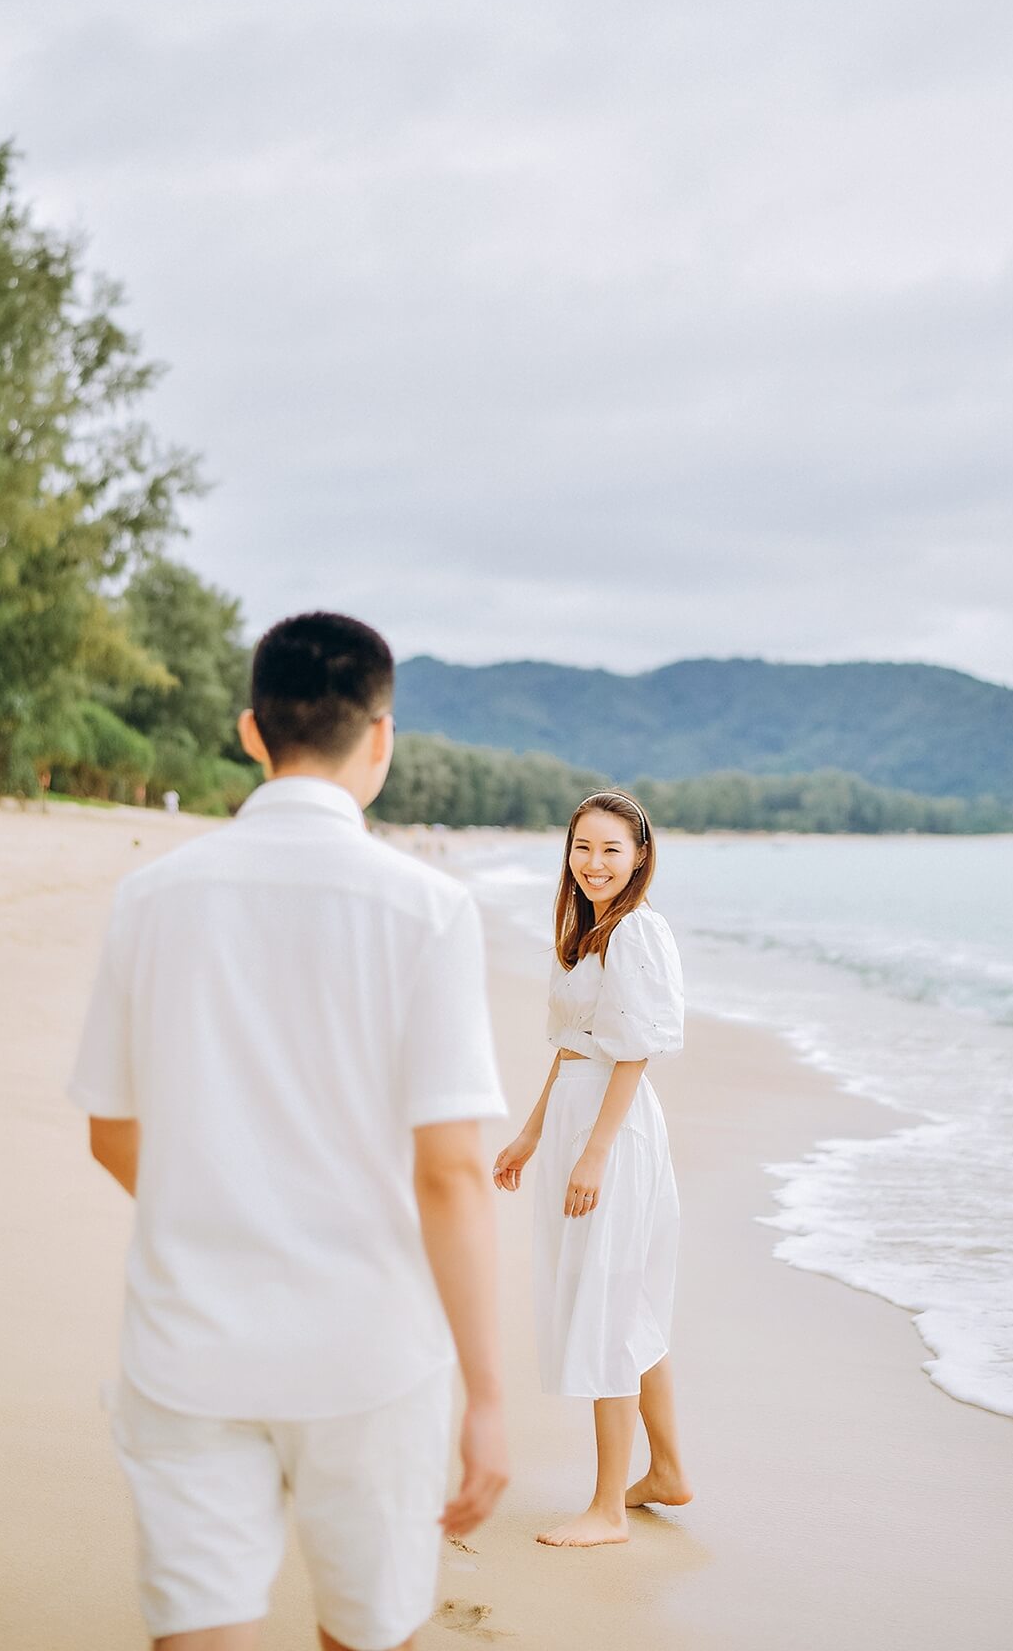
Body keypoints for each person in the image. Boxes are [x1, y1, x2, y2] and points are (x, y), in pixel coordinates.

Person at [67, 611, 509, 1651]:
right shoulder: (429, 909)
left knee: (199, 1631)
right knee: (368, 1632)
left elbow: (108, 1129)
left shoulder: (150, 897)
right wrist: (487, 1394)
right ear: (381, 737)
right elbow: (451, 1175)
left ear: (250, 731)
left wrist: (228, 1203)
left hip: (187, 1340)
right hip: (368, 1346)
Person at [492, 790, 691, 1548]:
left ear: (640, 855)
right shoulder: (586, 930)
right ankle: (667, 1471)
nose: (594, 863)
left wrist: (596, 1151)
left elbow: (632, 1050)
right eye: (583, 847)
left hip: (614, 1127)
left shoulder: (637, 932)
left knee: (609, 1304)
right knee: (625, 1303)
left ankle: (608, 1508)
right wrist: (530, 1135)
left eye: (611, 849)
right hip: (580, 1113)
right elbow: (573, 1046)